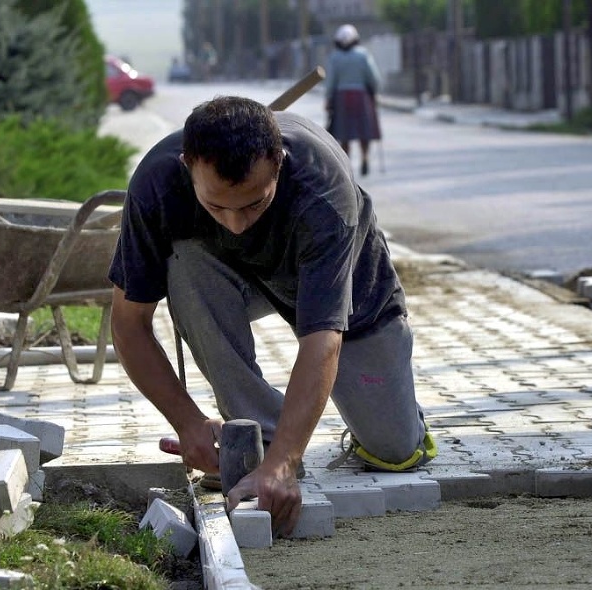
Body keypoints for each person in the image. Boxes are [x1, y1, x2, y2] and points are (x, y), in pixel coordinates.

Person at [107, 96, 435, 536]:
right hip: (233, 277)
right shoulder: (156, 184)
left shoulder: (322, 191)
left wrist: (287, 461)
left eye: (254, 205)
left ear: (278, 162)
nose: (237, 224)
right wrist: (187, 422)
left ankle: (289, 453)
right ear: (187, 165)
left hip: (349, 289)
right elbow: (129, 323)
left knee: (396, 451)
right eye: (216, 207)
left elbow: (322, 338)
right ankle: (258, 441)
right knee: (183, 262)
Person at [324, 23, 382, 176]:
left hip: (341, 99)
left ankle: (346, 164)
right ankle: (365, 157)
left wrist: (328, 98)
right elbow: (374, 78)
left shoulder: (335, 57)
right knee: (364, 131)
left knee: (344, 134)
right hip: (361, 97)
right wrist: (374, 92)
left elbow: (330, 81)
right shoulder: (363, 55)